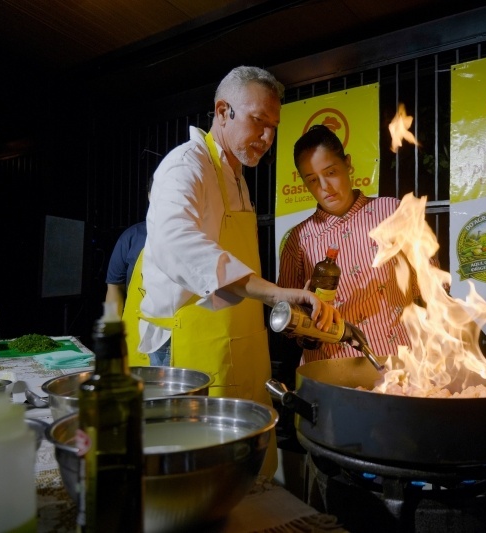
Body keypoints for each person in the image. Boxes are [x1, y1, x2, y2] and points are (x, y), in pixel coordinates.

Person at [131, 67, 338, 479]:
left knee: (240, 468)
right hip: (188, 351)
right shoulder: (186, 165)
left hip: (239, 343)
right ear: (223, 111)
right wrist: (272, 293)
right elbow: (174, 239)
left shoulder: (237, 178)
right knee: (198, 470)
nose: (267, 137)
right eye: (259, 121)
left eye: (274, 127)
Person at [278, 124, 428, 365]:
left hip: (395, 361)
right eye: (312, 180)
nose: (324, 187)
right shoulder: (299, 239)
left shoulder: (393, 213)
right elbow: (287, 315)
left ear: (347, 163)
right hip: (327, 367)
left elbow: (429, 287)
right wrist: (303, 315)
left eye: (330, 172)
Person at [104, 176, 152, 319]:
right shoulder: (132, 237)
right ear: (149, 195)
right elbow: (114, 288)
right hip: (136, 326)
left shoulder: (200, 237)